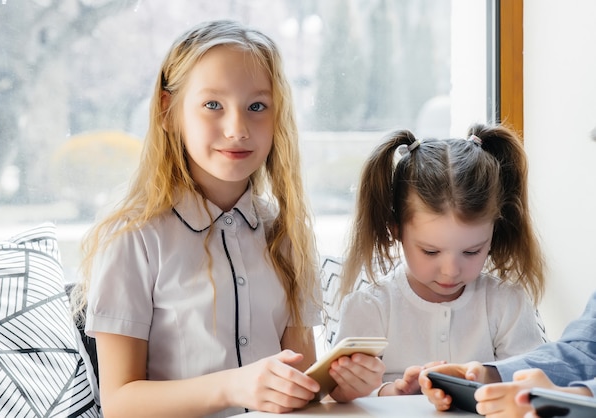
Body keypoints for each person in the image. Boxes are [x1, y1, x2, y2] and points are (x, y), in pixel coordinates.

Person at [69, 20, 384, 418]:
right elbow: (120, 403)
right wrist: (232, 387)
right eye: (213, 105)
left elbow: (299, 384)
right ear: (169, 110)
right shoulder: (134, 238)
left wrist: (338, 387)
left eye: (257, 107)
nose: (237, 129)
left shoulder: (286, 235)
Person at [332, 124, 547, 397]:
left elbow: (530, 385)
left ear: (496, 230)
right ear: (395, 229)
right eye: (430, 252)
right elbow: (337, 397)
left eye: (472, 252)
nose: (451, 271)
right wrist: (394, 393)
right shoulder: (370, 308)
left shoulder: (507, 304)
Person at [420, 290, 596, 418]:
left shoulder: (508, 297)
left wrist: (574, 400)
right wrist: (488, 376)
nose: (451, 270)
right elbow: (582, 351)